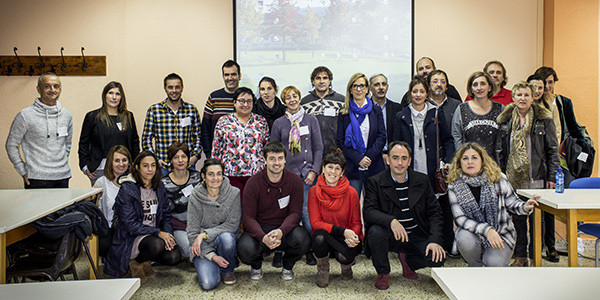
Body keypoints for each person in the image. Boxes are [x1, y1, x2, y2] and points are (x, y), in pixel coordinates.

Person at [364, 141, 445, 290]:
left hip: (416, 233)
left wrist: (434, 240)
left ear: (409, 161)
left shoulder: (422, 180)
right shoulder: (375, 182)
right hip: (390, 235)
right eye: (395, 158)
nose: (399, 163)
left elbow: (435, 212)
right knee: (375, 232)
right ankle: (383, 272)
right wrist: (391, 221)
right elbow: (369, 212)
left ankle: (409, 260)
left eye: (403, 158)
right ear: (387, 160)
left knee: (437, 259)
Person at [496, 81, 559, 266]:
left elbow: (552, 150)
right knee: (518, 219)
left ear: (532, 98)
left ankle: (535, 256)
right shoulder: (505, 119)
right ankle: (521, 255)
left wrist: (552, 176)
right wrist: (501, 176)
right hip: (513, 179)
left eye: (526, 95)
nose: (522, 98)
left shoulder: (543, 119)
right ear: (513, 98)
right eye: (519, 95)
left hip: (537, 177)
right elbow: (500, 150)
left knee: (537, 220)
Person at [447, 143, 540, 267]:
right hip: (473, 233)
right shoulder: (454, 184)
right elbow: (461, 219)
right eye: (465, 158)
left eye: (474, 158)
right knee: (464, 239)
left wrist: (525, 206)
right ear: (459, 163)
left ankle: (492, 260)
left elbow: (512, 203)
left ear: (482, 161)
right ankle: (475, 266)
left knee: (494, 263)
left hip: (501, 233)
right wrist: (487, 230)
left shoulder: (498, 178)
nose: (470, 162)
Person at [392, 77, 455, 252]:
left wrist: (448, 160)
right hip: (410, 169)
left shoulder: (435, 113)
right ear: (409, 93)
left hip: (433, 168)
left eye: (421, 91)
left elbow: (448, 140)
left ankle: (443, 244)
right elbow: (395, 143)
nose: (418, 95)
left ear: (427, 93)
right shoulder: (401, 115)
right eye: (414, 91)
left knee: (437, 207)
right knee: (414, 205)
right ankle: (416, 246)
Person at [104, 151, 181, 283]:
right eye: (145, 165)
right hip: (131, 237)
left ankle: (145, 259)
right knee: (156, 244)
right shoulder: (128, 189)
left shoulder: (159, 186)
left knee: (174, 257)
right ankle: (135, 262)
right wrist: (158, 232)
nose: (150, 169)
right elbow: (130, 225)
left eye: (153, 165)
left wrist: (167, 234)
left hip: (152, 234)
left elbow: (166, 215)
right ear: (137, 167)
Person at [237, 141, 310, 281]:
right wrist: (262, 237)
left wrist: (281, 231)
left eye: (280, 158)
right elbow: (248, 218)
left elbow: (295, 213)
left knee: (303, 240)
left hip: (284, 229)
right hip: (260, 229)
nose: (276, 163)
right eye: (272, 159)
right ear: (264, 160)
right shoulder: (253, 183)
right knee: (244, 248)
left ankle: (288, 266)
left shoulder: (294, 181)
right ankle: (256, 266)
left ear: (285, 160)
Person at [271, 86, 323, 266]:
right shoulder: (279, 123)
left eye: (295, 96)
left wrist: (314, 170)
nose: (292, 99)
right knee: (282, 214)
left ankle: (309, 250)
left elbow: (318, 148)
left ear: (299, 98)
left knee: (307, 214)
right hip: (286, 177)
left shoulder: (311, 120)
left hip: (307, 175)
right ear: (284, 101)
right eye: (288, 97)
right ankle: (279, 250)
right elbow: (274, 151)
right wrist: (280, 174)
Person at [6, 72, 73, 189]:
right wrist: (22, 170)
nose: (52, 90)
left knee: (63, 208)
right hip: (36, 178)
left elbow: (67, 143)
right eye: (47, 86)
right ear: (39, 89)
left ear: (60, 89)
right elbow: (11, 145)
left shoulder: (66, 115)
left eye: (56, 86)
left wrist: (61, 163)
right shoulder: (25, 115)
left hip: (62, 177)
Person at [308, 148, 362, 287]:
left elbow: (356, 222)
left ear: (342, 172)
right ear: (323, 169)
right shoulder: (314, 191)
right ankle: (323, 270)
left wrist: (353, 236)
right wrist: (342, 231)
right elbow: (315, 223)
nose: (333, 172)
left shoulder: (351, 192)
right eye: (330, 167)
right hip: (325, 237)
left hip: (345, 238)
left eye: (337, 168)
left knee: (345, 256)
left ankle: (346, 266)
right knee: (319, 236)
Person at [187, 158, 241, 290]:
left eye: (219, 174)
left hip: (223, 239)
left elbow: (232, 225)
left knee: (227, 238)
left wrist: (204, 234)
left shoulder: (234, 193)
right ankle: (215, 262)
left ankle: (228, 270)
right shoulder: (195, 196)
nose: (215, 178)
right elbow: (193, 233)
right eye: (211, 174)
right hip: (204, 248)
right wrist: (212, 256)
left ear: (223, 175)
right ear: (203, 176)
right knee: (208, 284)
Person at [534, 66, 591, 186]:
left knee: (564, 189)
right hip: (540, 157)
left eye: (550, 82)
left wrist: (584, 150)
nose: (547, 86)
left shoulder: (563, 102)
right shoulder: (533, 103)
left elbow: (573, 127)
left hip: (561, 156)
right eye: (544, 82)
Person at [79, 81, 140, 185]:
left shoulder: (128, 116)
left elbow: (134, 141)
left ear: (121, 97)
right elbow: (83, 143)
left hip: (124, 168)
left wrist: (135, 163)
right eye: (110, 93)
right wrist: (84, 166)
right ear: (104, 96)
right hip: (99, 169)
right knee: (100, 199)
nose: (114, 97)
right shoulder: (93, 117)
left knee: (125, 199)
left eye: (117, 94)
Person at [211, 87, 269, 195]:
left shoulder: (261, 121)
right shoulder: (223, 121)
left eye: (249, 101)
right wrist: (216, 173)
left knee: (253, 208)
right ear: (234, 102)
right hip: (231, 175)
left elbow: (267, 148)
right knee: (235, 208)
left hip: (256, 174)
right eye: (242, 101)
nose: (246, 104)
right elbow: (216, 150)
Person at [142, 73, 202, 175]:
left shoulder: (192, 110)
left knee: (189, 191)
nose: (174, 91)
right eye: (170, 87)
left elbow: (198, 136)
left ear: (182, 88)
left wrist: (195, 156)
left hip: (187, 166)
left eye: (177, 87)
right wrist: (154, 159)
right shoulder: (154, 110)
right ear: (165, 88)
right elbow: (146, 138)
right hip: (164, 166)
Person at [337, 73, 386, 196]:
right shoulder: (344, 113)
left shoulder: (376, 110)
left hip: (374, 165)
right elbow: (340, 141)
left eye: (362, 86)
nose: (359, 89)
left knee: (374, 206)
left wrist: (367, 157)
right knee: (352, 206)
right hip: (352, 167)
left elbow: (382, 136)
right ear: (350, 89)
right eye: (355, 86)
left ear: (367, 89)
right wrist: (359, 158)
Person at [161, 142, 203, 259]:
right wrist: (185, 227)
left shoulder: (198, 177)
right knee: (189, 249)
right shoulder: (163, 183)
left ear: (188, 159)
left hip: (199, 225)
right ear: (171, 160)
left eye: (183, 156)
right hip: (179, 228)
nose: (180, 160)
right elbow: (165, 214)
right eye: (176, 157)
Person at [451, 71, 505, 160]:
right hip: (469, 164)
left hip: (495, 164)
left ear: (490, 87)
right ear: (471, 89)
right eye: (475, 85)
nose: (479, 88)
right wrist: (461, 158)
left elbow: (504, 139)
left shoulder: (499, 108)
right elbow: (457, 136)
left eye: (483, 84)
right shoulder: (462, 109)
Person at [301, 66, 346, 157]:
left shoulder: (341, 100)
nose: (322, 81)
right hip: (313, 153)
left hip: (337, 152)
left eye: (325, 78)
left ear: (330, 81)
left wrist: (343, 147)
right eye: (318, 78)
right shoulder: (305, 102)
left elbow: (347, 126)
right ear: (313, 82)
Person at [95, 145, 132, 256]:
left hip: (130, 228)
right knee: (104, 246)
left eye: (124, 160)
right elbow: (96, 212)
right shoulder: (101, 182)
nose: (121, 164)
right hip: (110, 228)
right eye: (117, 161)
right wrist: (95, 199)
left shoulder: (135, 180)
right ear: (110, 162)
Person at [202, 60, 241, 157]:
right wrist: (209, 154)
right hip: (218, 156)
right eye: (226, 75)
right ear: (223, 76)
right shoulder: (214, 98)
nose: (230, 78)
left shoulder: (247, 98)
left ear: (239, 76)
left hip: (242, 157)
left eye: (233, 74)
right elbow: (205, 129)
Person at [369, 73, 402, 148]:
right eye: (377, 84)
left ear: (387, 87)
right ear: (370, 88)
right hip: (371, 155)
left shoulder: (397, 109)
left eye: (383, 84)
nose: (381, 87)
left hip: (392, 154)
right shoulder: (364, 109)